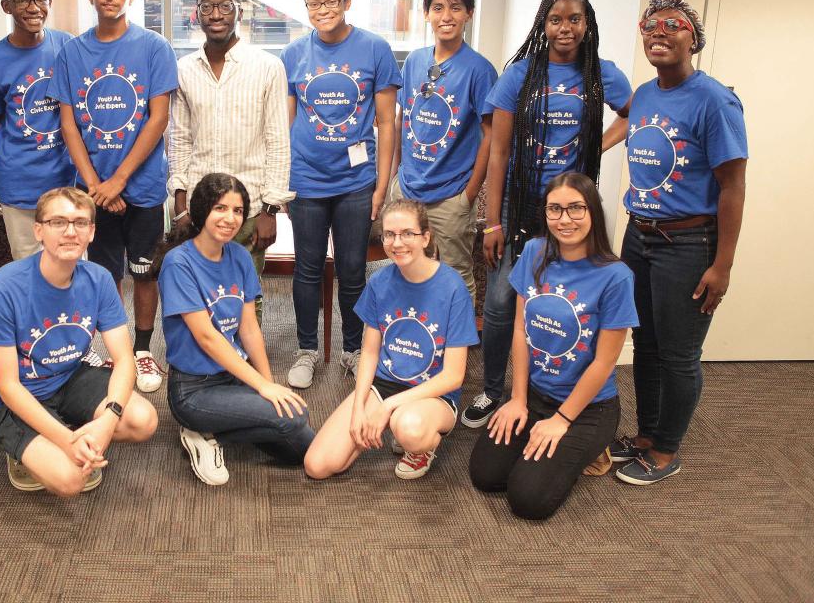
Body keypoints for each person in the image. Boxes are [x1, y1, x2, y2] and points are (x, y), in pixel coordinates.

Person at [468, 0, 633, 429]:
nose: (566, 28)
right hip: (520, 211)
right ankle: (492, 390)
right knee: (503, 303)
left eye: (574, 19)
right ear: (544, 24)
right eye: (556, 19)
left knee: (569, 301)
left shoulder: (600, 74)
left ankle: (558, 390)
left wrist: (596, 148)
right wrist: (491, 221)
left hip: (572, 212)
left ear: (587, 24)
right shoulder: (520, 75)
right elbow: (499, 151)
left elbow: (635, 111)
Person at [612, 0, 747, 485]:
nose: (659, 33)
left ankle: (667, 449)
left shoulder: (715, 99)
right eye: (651, 26)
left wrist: (723, 265)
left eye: (673, 25)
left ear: (694, 38)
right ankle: (647, 434)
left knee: (678, 352)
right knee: (643, 343)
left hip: (688, 245)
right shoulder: (646, 93)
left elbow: (733, 186)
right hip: (639, 238)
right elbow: (627, 120)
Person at [469, 172, 637, 519]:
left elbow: (604, 364)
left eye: (576, 208)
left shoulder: (615, 276)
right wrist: (517, 399)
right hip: (534, 394)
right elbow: (520, 328)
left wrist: (562, 419)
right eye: (554, 210)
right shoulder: (533, 252)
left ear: (592, 211)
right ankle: (543, 439)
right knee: (485, 475)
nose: (565, 219)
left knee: (528, 499)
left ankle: (589, 449)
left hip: (588, 408)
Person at [0, 187, 158, 495]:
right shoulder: (2, 289)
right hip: (15, 395)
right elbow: (8, 386)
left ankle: (67, 430)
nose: (71, 232)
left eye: (80, 222)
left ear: (92, 232)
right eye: (58, 222)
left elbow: (125, 360)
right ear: (39, 230)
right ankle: (35, 442)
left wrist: (108, 420)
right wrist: (68, 442)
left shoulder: (98, 279)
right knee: (71, 480)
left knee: (143, 420)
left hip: (68, 377)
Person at [54, 0, 178, 394]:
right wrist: (94, 187)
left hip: (140, 187)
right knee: (103, 276)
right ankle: (113, 348)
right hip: (93, 190)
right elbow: (69, 123)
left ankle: (143, 351)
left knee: (144, 271)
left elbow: (157, 119)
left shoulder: (154, 47)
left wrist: (119, 181)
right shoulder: (72, 51)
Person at [283, 0, 401, 389]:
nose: (323, 10)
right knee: (307, 269)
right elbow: (286, 122)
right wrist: (282, 180)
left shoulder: (374, 49)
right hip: (306, 181)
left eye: (331, 1)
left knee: (353, 269)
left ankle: (354, 351)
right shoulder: (293, 54)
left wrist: (382, 186)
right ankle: (307, 350)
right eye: (314, 4)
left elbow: (387, 124)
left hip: (356, 182)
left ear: (347, 3)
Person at [304, 199, 477, 482]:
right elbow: (370, 354)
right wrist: (360, 407)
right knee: (318, 465)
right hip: (384, 385)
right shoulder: (379, 282)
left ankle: (419, 446)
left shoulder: (452, 287)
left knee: (407, 427)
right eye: (390, 234)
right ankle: (387, 422)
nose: (398, 243)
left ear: (426, 237)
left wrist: (388, 407)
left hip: (432, 393)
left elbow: (454, 376)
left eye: (408, 233)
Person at [160, 173, 314, 486]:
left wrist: (268, 386)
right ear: (203, 210)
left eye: (238, 211)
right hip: (194, 388)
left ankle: (216, 428)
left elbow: (249, 330)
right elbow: (207, 338)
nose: (230, 218)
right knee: (294, 418)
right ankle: (200, 432)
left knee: (302, 446)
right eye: (221, 208)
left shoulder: (241, 256)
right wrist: (261, 388)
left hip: (232, 376)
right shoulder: (179, 263)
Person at [168, 0, 293, 321]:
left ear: (240, 10)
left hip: (250, 208)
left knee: (246, 295)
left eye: (225, 5)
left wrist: (271, 209)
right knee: (199, 293)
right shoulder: (183, 70)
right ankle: (203, 369)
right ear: (197, 14)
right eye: (207, 6)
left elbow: (278, 141)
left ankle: (246, 369)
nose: (216, 14)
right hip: (198, 205)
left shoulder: (268, 67)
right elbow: (178, 139)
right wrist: (180, 205)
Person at [392, 0, 497, 297]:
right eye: (438, 8)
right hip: (407, 189)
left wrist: (469, 193)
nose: (446, 16)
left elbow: (490, 136)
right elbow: (402, 119)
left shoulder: (480, 70)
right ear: (426, 14)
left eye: (455, 8)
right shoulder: (414, 61)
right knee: (404, 267)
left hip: (451, 195)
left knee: (455, 278)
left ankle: (455, 347)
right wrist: (397, 175)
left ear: (469, 13)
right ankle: (411, 337)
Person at [0, 0, 75, 261]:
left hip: (66, 179)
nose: (33, 8)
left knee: (71, 260)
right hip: (20, 184)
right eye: (22, 0)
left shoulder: (67, 47)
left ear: (49, 0)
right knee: (30, 268)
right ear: (7, 6)